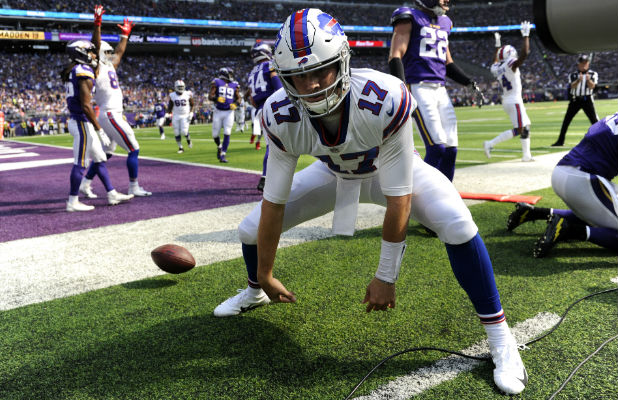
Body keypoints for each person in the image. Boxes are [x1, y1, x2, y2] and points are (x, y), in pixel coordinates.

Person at [213, 9, 526, 395]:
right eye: (298, 76)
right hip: (334, 174)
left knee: (458, 223)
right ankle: (254, 291)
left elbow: (400, 197)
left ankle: (501, 338)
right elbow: (273, 204)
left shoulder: (384, 97)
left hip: (388, 171)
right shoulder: (280, 115)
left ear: (343, 62)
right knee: (248, 229)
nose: (310, 86)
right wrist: (265, 272)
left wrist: (386, 276)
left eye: (320, 72)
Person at [388, 0, 482, 182]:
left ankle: (445, 197)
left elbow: (448, 63)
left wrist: (469, 82)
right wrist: (402, 89)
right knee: (436, 146)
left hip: (440, 89)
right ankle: (418, 196)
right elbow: (395, 55)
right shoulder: (410, 17)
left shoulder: (445, 22)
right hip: (418, 87)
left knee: (450, 149)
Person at [507, 112, 618, 257]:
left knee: (598, 214)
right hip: (583, 181)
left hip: (564, 174)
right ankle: (568, 230)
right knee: (607, 221)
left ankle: (534, 213)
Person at [80, 7, 151, 198]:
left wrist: (125, 35)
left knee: (107, 152)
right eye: (107, 51)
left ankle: (85, 183)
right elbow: (96, 45)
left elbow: (119, 52)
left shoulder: (109, 64)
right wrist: (97, 24)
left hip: (111, 114)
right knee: (134, 148)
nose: (111, 53)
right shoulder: (95, 67)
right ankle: (133, 186)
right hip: (110, 113)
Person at [61, 38, 131, 211]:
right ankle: (72, 201)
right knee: (81, 163)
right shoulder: (82, 70)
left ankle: (111, 193)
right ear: (81, 53)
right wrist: (100, 130)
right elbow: (86, 105)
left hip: (82, 122)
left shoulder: (76, 69)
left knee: (99, 159)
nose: (94, 54)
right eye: (90, 51)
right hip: (81, 123)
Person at [483, 24, 534, 162]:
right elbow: (524, 54)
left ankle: (526, 155)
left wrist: (497, 45)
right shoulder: (511, 64)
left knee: (525, 127)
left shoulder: (496, 67)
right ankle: (490, 144)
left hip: (509, 99)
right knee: (519, 129)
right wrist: (525, 36)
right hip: (514, 100)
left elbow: (495, 60)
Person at [246, 41, 283, 192]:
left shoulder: (251, 72)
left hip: (260, 109)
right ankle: (266, 178)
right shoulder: (270, 65)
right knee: (276, 146)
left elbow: (252, 100)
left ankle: (269, 177)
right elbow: (279, 87)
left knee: (274, 145)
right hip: (273, 106)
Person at [552, 54, 598, 146]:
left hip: (587, 99)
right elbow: (572, 86)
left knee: (595, 121)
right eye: (582, 63)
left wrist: (588, 80)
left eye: (585, 63)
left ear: (588, 63)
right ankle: (560, 141)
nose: (584, 65)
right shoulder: (573, 75)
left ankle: (600, 140)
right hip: (575, 100)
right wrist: (578, 80)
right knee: (566, 121)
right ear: (578, 64)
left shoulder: (593, 74)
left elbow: (593, 86)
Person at [208, 67, 241, 163]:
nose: (231, 76)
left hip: (229, 112)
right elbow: (210, 96)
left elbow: (239, 98)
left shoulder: (234, 84)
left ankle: (223, 154)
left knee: (227, 132)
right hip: (218, 111)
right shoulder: (217, 82)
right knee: (215, 134)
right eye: (230, 74)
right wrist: (216, 99)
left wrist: (236, 104)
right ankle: (219, 146)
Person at [167, 79, 195, 153]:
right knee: (176, 132)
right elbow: (170, 105)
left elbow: (192, 104)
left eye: (182, 87)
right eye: (179, 87)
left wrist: (191, 112)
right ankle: (180, 147)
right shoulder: (172, 95)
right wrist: (168, 113)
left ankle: (188, 139)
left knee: (184, 131)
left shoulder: (187, 94)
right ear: (175, 87)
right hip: (176, 115)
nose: (181, 88)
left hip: (185, 115)